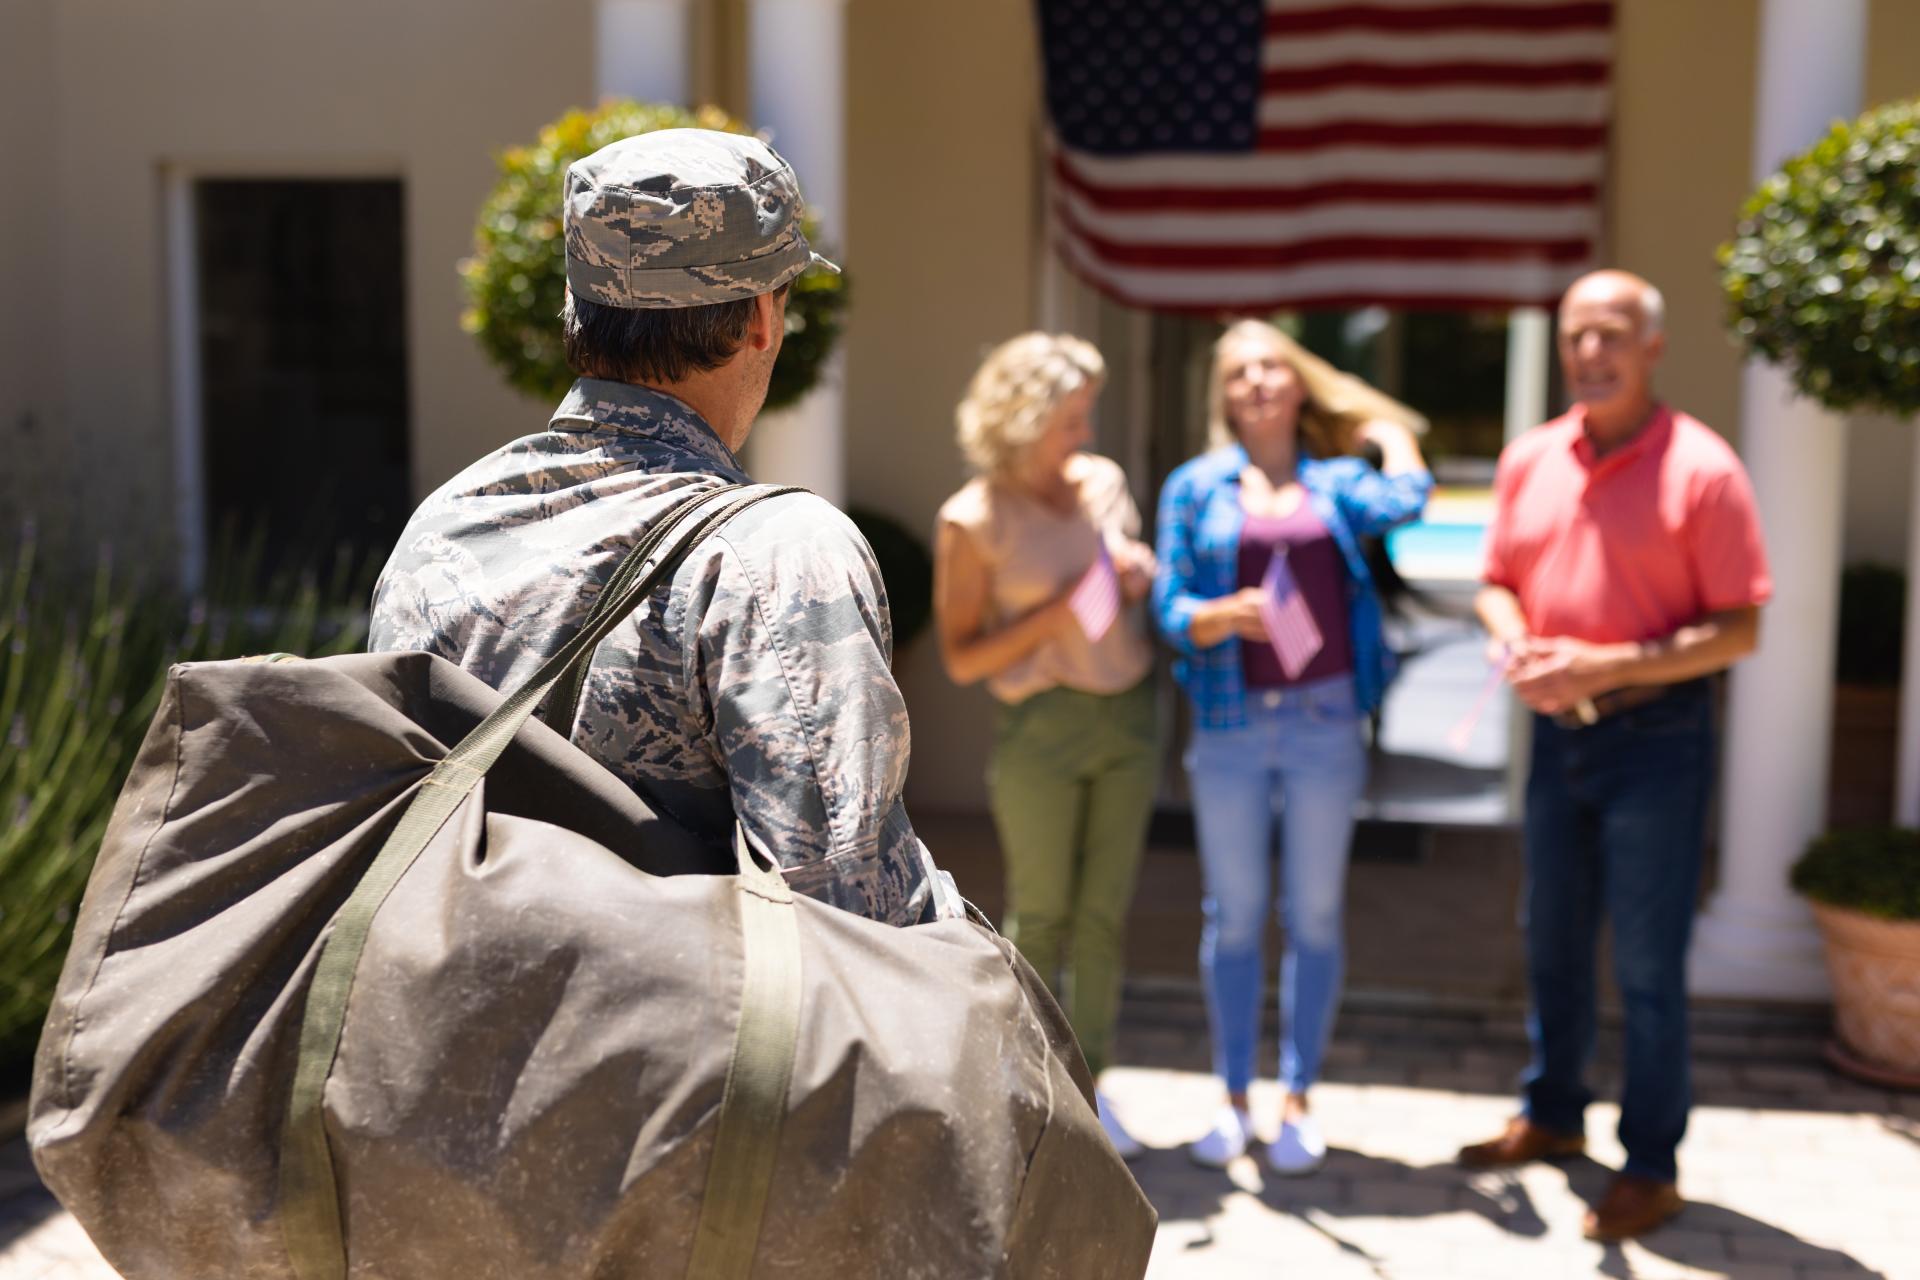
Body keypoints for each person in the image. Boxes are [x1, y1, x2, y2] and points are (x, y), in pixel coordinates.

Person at [369, 128, 958, 927]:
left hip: (460, 1033)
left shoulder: (446, 525)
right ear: (760, 316)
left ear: (577, 311)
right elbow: (847, 913)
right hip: (680, 1044)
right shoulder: (779, 553)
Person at [1457, 269, 1771, 1241]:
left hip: (1659, 738)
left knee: (1644, 960)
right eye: (1576, 334)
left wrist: (1608, 660)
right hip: (1559, 737)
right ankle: (1553, 1112)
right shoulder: (1529, 458)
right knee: (1549, 935)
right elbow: (1495, 583)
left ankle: (1650, 1161)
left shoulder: (1705, 469)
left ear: (1652, 347)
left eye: (1612, 335)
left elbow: (1739, 630)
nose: (1591, 352)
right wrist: (1516, 640)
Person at [1153, 320, 1431, 1173]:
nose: (1260, 381)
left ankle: (1299, 1097)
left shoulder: (1339, 480)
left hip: (1323, 719)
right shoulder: (1195, 486)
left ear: (1300, 383)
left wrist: (1391, 437)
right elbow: (1167, 595)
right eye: (1241, 371)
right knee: (1232, 917)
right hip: (1231, 722)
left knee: (1313, 915)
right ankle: (1234, 1097)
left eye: (1274, 366)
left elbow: (1407, 503)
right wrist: (1204, 617)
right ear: (1225, 394)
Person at [933, 332, 1160, 1158]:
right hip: (1041, 729)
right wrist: (1054, 613)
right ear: (1023, 419)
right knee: (1042, 912)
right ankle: (1029, 1088)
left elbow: (1126, 579)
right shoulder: (974, 517)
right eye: (1072, 417)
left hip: (1128, 716)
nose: (1085, 432)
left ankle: (1092, 1090)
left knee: (1102, 916)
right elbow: (963, 657)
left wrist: (1134, 574)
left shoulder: (1102, 483)